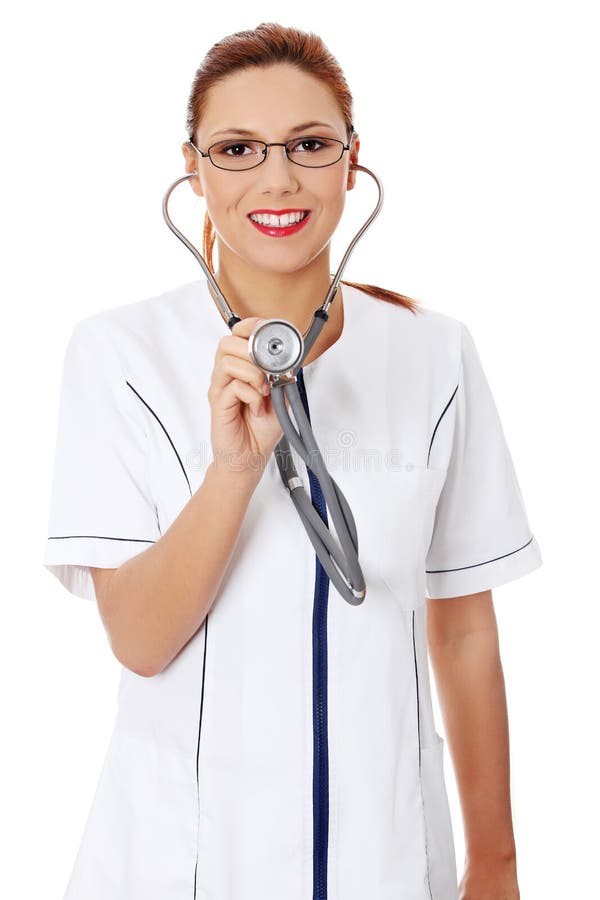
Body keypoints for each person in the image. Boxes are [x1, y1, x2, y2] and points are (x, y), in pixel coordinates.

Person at [43, 21, 542, 900]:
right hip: (183, 867)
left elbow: (464, 629)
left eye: (309, 145)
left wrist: (495, 867)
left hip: (389, 866)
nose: (277, 179)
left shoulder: (435, 355)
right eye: (238, 149)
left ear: (352, 162)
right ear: (193, 168)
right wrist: (233, 472)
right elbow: (139, 641)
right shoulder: (121, 355)